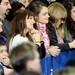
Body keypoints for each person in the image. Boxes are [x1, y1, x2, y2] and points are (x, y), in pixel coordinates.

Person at [27, 1, 60, 75]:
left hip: (47, 65)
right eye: (44, 14)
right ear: (35, 16)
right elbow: (32, 53)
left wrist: (51, 49)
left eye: (48, 13)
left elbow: (55, 43)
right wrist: (48, 51)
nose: (48, 16)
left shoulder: (49, 26)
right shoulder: (30, 30)